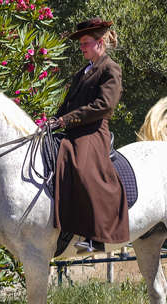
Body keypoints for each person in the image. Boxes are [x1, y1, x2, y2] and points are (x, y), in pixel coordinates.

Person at [51, 18, 129, 253]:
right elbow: (68, 104)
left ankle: (95, 236)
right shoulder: (81, 72)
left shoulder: (110, 68)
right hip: (74, 129)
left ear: (100, 42)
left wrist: (67, 120)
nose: (82, 47)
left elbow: (104, 105)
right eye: (82, 44)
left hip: (93, 131)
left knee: (83, 169)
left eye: (86, 43)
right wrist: (53, 121)